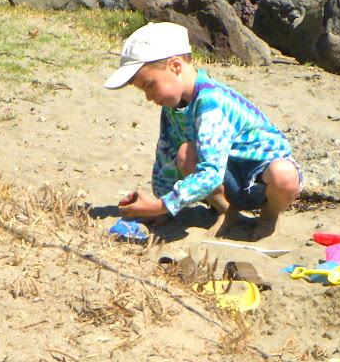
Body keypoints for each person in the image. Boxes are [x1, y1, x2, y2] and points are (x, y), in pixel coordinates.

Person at [103, 21, 302, 239]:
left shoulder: (211, 102)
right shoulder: (174, 106)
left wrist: (161, 206)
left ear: (175, 66)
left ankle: (268, 218)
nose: (148, 97)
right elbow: (166, 154)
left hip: (262, 180)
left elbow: (211, 173)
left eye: (149, 85)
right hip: (228, 177)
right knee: (185, 152)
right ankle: (228, 211)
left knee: (283, 174)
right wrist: (164, 204)